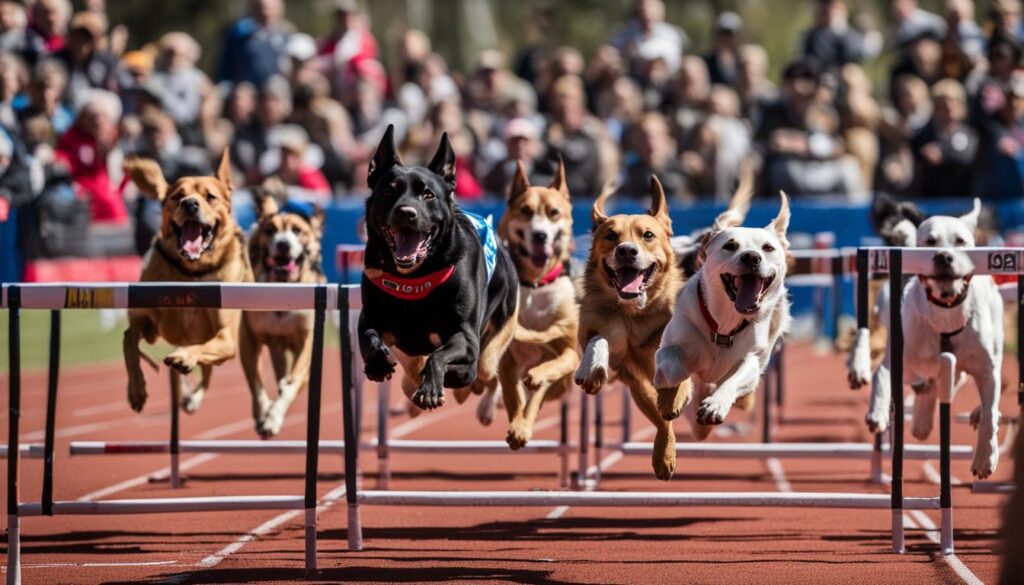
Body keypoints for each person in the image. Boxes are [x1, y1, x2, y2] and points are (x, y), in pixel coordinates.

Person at [55, 88, 126, 225]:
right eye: (93, 117)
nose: (97, 121)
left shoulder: (113, 137)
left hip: (106, 184)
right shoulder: (72, 136)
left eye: (102, 117)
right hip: (79, 183)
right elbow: (63, 156)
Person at [909, 78, 977, 197]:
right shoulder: (923, 135)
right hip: (931, 199)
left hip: (962, 199)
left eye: (952, 103)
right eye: (942, 105)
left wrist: (943, 155)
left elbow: (966, 156)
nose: (948, 109)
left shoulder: (969, 134)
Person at [218, 0, 294, 86]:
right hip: (248, 89)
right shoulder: (240, 33)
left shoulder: (287, 34)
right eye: (262, 8)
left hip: (277, 90)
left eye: (271, 9)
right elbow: (226, 65)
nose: (266, 13)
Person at [153, 32, 206, 146]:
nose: (172, 58)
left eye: (176, 54)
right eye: (168, 53)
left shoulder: (195, 79)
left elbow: (187, 115)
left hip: (184, 136)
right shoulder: (154, 75)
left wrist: (161, 94)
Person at [611, 0, 688, 79]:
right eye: (642, 8)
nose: (646, 12)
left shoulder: (673, 34)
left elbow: (679, 62)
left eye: (651, 7)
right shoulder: (625, 34)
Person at [705, 12, 742, 88]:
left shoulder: (742, 61)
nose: (726, 38)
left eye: (730, 34)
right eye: (723, 33)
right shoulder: (706, 62)